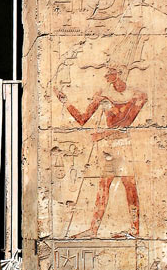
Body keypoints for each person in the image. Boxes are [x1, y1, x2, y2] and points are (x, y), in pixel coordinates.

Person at [54, 66, 147, 238]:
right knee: (103, 186)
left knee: (130, 187)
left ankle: (134, 230)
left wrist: (102, 134)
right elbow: (82, 119)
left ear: (120, 72)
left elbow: (126, 123)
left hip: (124, 146)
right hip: (111, 149)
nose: (107, 76)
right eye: (106, 73)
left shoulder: (137, 95)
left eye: (111, 72)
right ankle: (93, 230)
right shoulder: (103, 94)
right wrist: (66, 102)